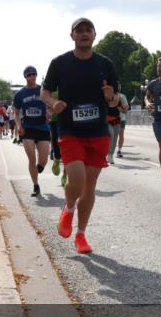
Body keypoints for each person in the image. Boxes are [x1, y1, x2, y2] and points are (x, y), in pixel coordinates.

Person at [41, 17, 120, 255]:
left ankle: (81, 234)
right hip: (70, 130)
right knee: (76, 180)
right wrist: (54, 102)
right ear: (72, 35)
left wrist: (110, 96)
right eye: (80, 30)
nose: (84, 34)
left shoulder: (105, 64)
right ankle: (68, 207)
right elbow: (45, 91)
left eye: (88, 30)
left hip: (97, 131)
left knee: (90, 186)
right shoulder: (60, 63)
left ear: (94, 35)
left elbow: (116, 99)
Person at [14, 66, 51, 197]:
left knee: (44, 160)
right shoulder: (20, 94)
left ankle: (40, 167)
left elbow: (50, 105)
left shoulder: (43, 90)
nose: (31, 77)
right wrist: (18, 125)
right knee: (31, 158)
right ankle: (36, 186)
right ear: (25, 77)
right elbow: (16, 113)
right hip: (28, 128)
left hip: (43, 127)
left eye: (33, 75)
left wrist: (49, 113)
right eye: (28, 75)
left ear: (36, 75)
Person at [105, 82, 123, 164]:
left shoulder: (119, 97)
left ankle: (110, 155)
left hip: (116, 120)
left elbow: (123, 109)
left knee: (115, 138)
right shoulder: (106, 96)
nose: (118, 88)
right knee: (111, 135)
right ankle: (106, 153)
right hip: (107, 120)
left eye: (119, 86)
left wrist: (123, 109)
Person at [116, 87, 129, 157]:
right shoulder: (109, 96)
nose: (119, 87)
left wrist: (122, 109)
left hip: (121, 119)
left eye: (120, 85)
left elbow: (126, 109)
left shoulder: (123, 96)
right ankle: (109, 152)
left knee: (121, 135)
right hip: (111, 119)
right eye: (117, 85)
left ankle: (119, 150)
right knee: (111, 136)